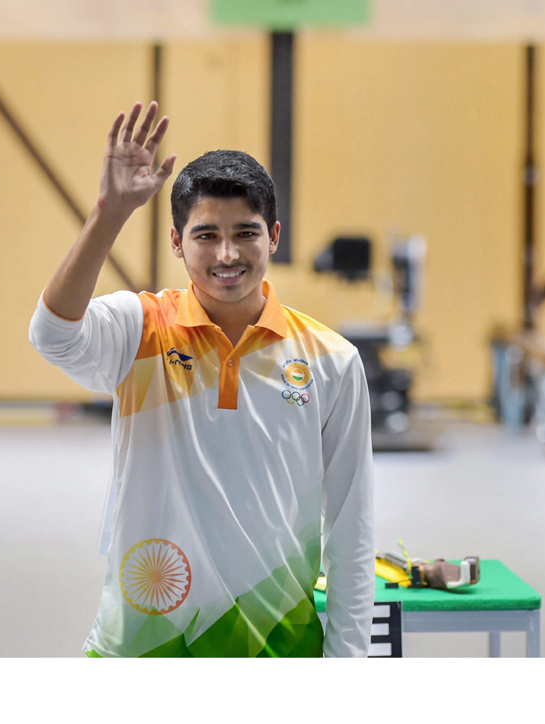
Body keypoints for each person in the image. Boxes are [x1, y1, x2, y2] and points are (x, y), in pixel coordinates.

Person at [29, 101, 374, 657]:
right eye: (206, 235)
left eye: (246, 233)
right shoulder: (138, 328)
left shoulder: (333, 360)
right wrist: (110, 213)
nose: (228, 254)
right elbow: (52, 334)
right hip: (142, 648)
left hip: (277, 649)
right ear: (176, 241)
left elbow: (352, 527)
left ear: (275, 236)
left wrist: (347, 662)